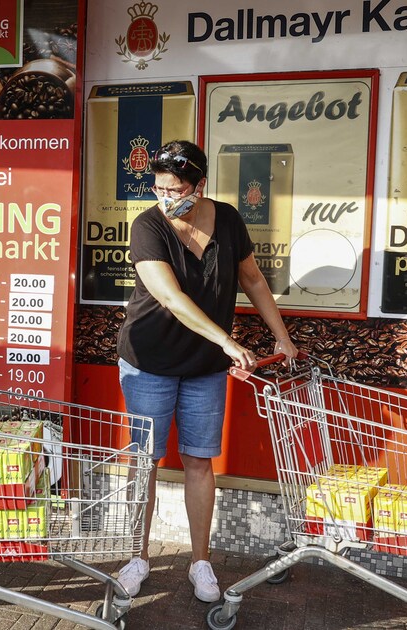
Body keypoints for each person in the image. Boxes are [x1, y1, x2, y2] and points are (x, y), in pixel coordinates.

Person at [114, 141, 298, 602]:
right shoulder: (148, 226)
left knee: (199, 461)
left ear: (200, 186)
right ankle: (137, 557)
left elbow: (252, 279)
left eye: (175, 189)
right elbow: (171, 298)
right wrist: (228, 340)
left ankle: (200, 562)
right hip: (149, 361)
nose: (165, 198)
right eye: (157, 188)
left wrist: (282, 336)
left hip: (204, 369)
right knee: (145, 463)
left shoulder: (229, 220)